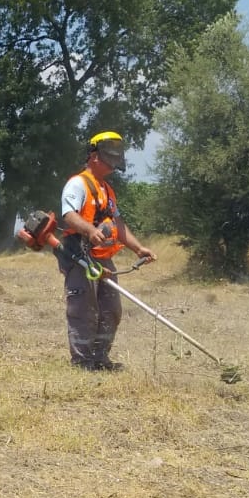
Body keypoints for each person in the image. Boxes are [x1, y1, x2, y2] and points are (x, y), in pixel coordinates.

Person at [58, 131, 154, 371]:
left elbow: (118, 224)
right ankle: (82, 362)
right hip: (80, 256)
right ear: (93, 156)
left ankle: (100, 359)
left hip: (103, 259)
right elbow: (69, 215)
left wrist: (138, 248)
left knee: (111, 310)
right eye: (108, 156)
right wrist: (90, 231)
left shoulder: (108, 190)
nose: (113, 161)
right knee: (83, 309)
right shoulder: (77, 184)